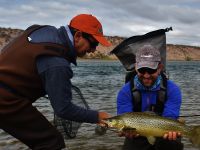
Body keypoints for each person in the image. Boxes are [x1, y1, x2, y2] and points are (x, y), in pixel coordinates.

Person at [0, 14, 111, 150]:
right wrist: (97, 116)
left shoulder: (40, 30)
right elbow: (63, 109)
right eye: (93, 43)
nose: (93, 50)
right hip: (6, 100)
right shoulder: (57, 63)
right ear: (77, 36)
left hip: (7, 94)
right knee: (51, 142)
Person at [117, 44, 183, 150]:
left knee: (171, 143)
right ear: (136, 67)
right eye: (142, 70)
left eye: (151, 70)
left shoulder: (173, 90)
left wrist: (172, 130)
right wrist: (126, 132)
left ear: (159, 68)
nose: (146, 75)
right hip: (136, 136)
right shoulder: (125, 92)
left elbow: (170, 116)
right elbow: (124, 116)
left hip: (164, 133)